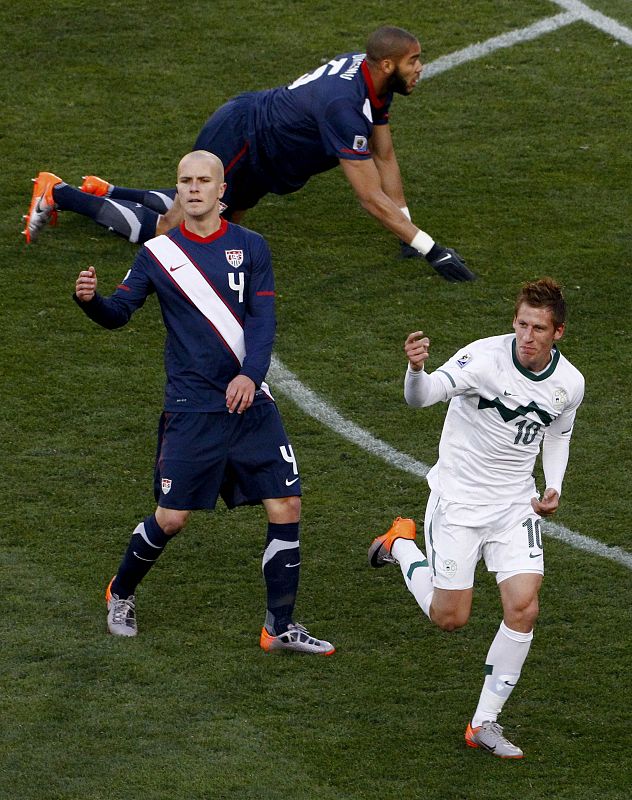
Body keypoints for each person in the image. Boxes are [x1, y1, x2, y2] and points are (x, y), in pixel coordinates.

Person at [74, 149, 334, 655]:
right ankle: (121, 591)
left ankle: (279, 625)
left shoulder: (252, 248)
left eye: (202, 181)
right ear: (178, 191)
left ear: (221, 192)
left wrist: (249, 376)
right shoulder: (157, 255)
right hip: (193, 408)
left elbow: (262, 323)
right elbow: (119, 314)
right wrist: (90, 303)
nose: (192, 189)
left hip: (251, 404)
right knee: (171, 517)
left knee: (286, 504)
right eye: (184, 182)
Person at [25, 26, 475, 282]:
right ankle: (59, 193)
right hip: (242, 139)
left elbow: (385, 155)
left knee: (222, 220)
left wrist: (406, 228)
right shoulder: (344, 105)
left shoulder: (370, 76)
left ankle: (111, 191)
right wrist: (432, 249)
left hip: (261, 146)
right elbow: (368, 196)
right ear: (386, 65)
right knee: (174, 232)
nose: (420, 68)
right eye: (414, 60)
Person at [368, 278, 584, 757]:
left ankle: (484, 723)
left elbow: (558, 434)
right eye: (522, 324)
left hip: (514, 506)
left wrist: (553, 486)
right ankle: (400, 544)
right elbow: (421, 398)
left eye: (539, 328)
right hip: (459, 504)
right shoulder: (482, 359)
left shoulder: (569, 383)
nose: (528, 336)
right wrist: (415, 369)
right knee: (451, 618)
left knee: (524, 606)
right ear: (514, 321)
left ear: (558, 333)